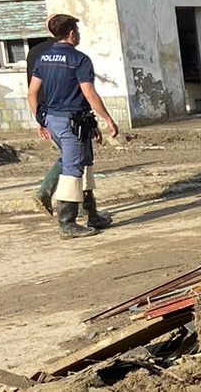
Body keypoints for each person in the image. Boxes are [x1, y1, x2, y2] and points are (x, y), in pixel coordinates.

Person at [27, 15, 120, 239]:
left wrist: (41, 120)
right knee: (73, 170)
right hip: (71, 122)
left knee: (83, 162)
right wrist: (107, 118)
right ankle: (67, 222)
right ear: (71, 33)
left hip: (55, 119)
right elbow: (88, 92)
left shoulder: (43, 57)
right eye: (77, 30)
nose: (78, 34)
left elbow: (32, 93)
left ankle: (93, 215)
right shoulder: (79, 59)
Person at [26, 18, 61, 216]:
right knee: (74, 157)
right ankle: (45, 192)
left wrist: (38, 118)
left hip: (45, 111)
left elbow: (31, 89)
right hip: (65, 110)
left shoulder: (34, 52)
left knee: (74, 157)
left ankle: (85, 208)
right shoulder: (67, 53)